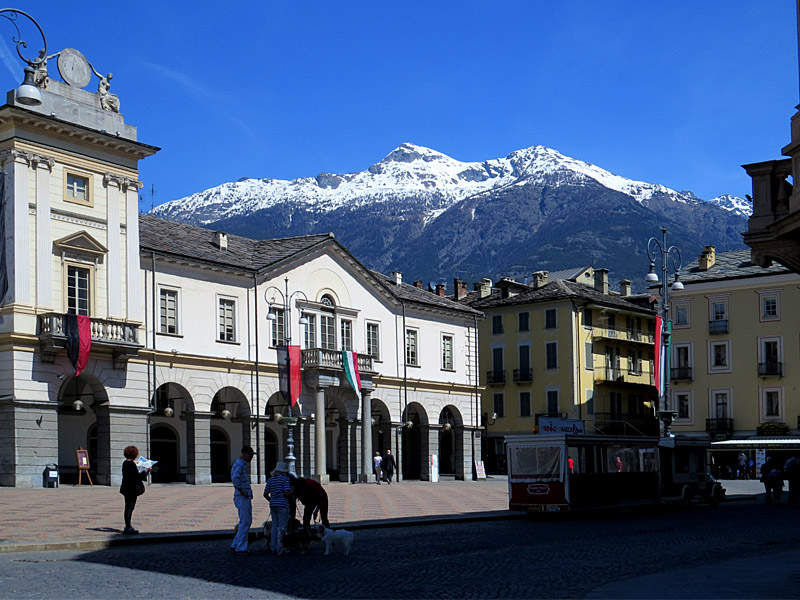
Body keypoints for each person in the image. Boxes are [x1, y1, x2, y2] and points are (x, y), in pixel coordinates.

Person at [119, 445, 150, 534]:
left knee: (127, 506)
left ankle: (128, 526)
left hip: (125, 488)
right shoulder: (131, 464)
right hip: (132, 489)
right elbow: (137, 477)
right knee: (130, 507)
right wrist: (146, 471)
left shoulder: (125, 463)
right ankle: (128, 527)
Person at [263, 461, 292, 554]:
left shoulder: (271, 480)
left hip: (273, 504)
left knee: (274, 526)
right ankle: (281, 547)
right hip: (283, 504)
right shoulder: (285, 479)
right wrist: (292, 492)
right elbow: (286, 493)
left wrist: (271, 500)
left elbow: (265, 494)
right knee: (282, 526)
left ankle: (273, 547)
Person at [230, 445, 255, 554]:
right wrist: (241, 490)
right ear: (245, 454)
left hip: (242, 495)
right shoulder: (240, 464)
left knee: (244, 521)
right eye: (250, 455)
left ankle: (236, 544)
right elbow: (235, 478)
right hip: (242, 496)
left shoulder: (240, 464)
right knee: (245, 521)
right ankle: (241, 547)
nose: (251, 458)